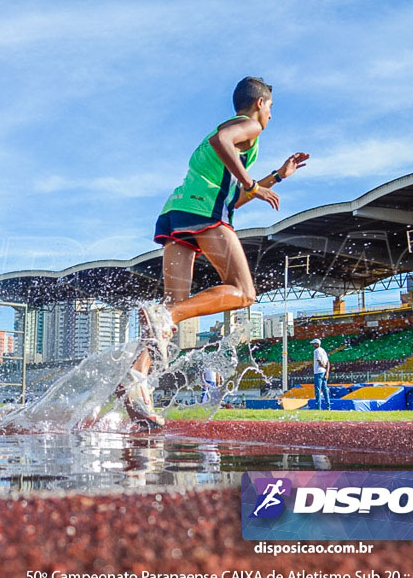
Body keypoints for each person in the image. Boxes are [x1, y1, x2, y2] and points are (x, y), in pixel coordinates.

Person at [120, 76, 310, 428]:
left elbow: (233, 198)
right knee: (243, 291)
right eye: (271, 108)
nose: (271, 116)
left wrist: (275, 178)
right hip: (203, 212)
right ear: (260, 104)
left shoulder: (233, 142)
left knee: (170, 310)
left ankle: (135, 382)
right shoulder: (247, 127)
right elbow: (221, 142)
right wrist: (252, 182)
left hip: (179, 212)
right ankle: (165, 320)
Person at [311, 338, 331, 410]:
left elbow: (319, 361)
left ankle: (318, 407)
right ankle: (328, 406)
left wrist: (323, 366)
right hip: (324, 372)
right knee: (325, 389)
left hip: (318, 371)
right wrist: (327, 372)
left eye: (313, 344)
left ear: (317, 344)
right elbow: (328, 362)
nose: (312, 345)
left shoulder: (316, 351)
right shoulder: (323, 350)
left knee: (318, 389)